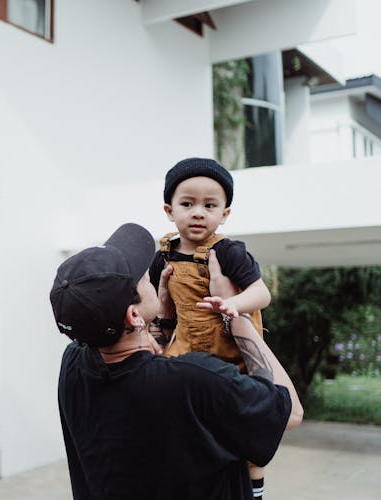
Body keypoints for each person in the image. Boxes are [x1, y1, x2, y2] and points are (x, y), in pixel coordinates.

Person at [50, 223, 302, 500]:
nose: (151, 278)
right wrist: (235, 313)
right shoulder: (195, 380)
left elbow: (134, 356)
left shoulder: (73, 365)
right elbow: (289, 412)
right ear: (133, 315)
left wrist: (163, 319)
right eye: (145, 280)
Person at [151, 157, 273, 497]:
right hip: (187, 351)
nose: (198, 212)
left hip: (233, 355)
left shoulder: (229, 251)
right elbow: (166, 312)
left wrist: (233, 304)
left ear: (225, 214)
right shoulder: (163, 256)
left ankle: (255, 490)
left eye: (210, 205)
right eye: (187, 204)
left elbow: (261, 293)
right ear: (169, 209)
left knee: (249, 436)